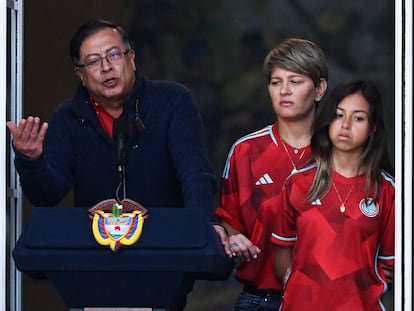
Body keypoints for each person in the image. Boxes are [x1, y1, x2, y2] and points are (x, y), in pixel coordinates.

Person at [6, 19, 229, 310]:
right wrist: (31, 160)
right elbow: (47, 195)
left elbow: (194, 174)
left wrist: (205, 227)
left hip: (163, 257)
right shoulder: (67, 117)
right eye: (93, 61)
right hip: (94, 262)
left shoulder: (173, 101)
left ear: (131, 58)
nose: (107, 67)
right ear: (80, 75)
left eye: (114, 55)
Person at [215, 38, 328, 310]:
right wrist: (232, 237)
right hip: (259, 300)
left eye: (296, 81)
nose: (284, 91)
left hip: (328, 300)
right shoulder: (245, 151)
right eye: (276, 82)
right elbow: (228, 220)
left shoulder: (340, 152)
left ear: (319, 89)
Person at [271, 79, 395, 310]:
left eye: (358, 118)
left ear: (373, 127)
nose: (345, 124)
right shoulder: (298, 184)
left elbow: (391, 266)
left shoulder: (388, 192)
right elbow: (282, 260)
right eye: (339, 115)